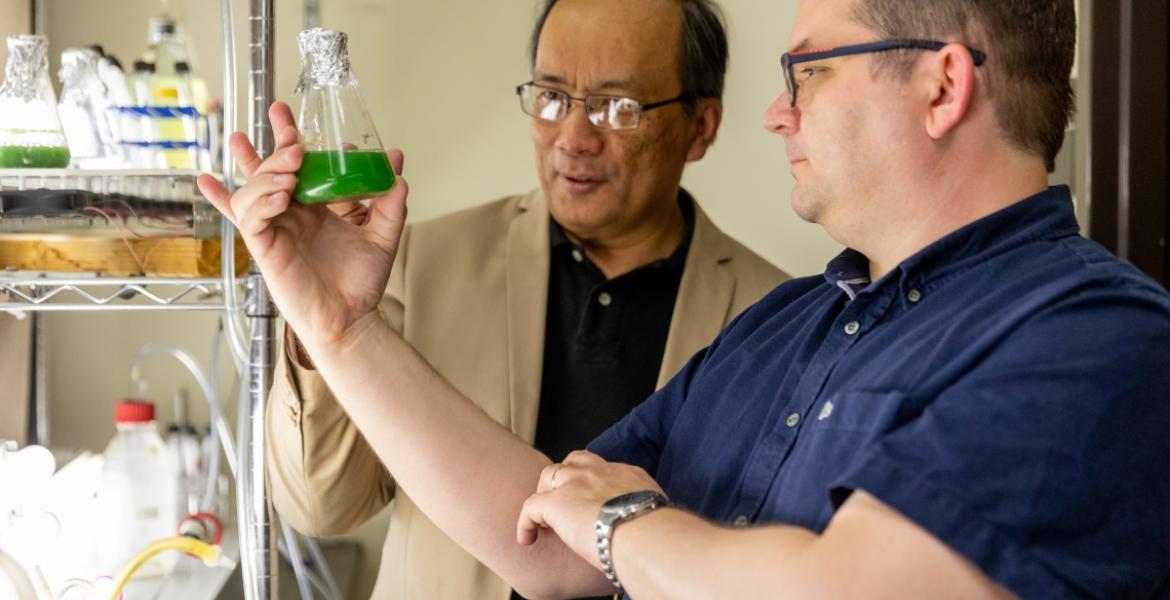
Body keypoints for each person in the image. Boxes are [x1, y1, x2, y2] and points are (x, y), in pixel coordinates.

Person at [199, 0, 1170, 597]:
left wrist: (626, 526)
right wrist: (339, 326)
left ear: (941, 85)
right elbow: (543, 540)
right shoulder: (792, 327)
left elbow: (843, 595)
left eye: (811, 72)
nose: (777, 110)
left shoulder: (1100, 341)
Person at [236, 1, 783, 598]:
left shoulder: (778, 319)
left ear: (700, 126)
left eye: (616, 107)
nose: (573, 138)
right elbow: (321, 507)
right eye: (551, 96)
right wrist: (320, 330)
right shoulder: (418, 260)